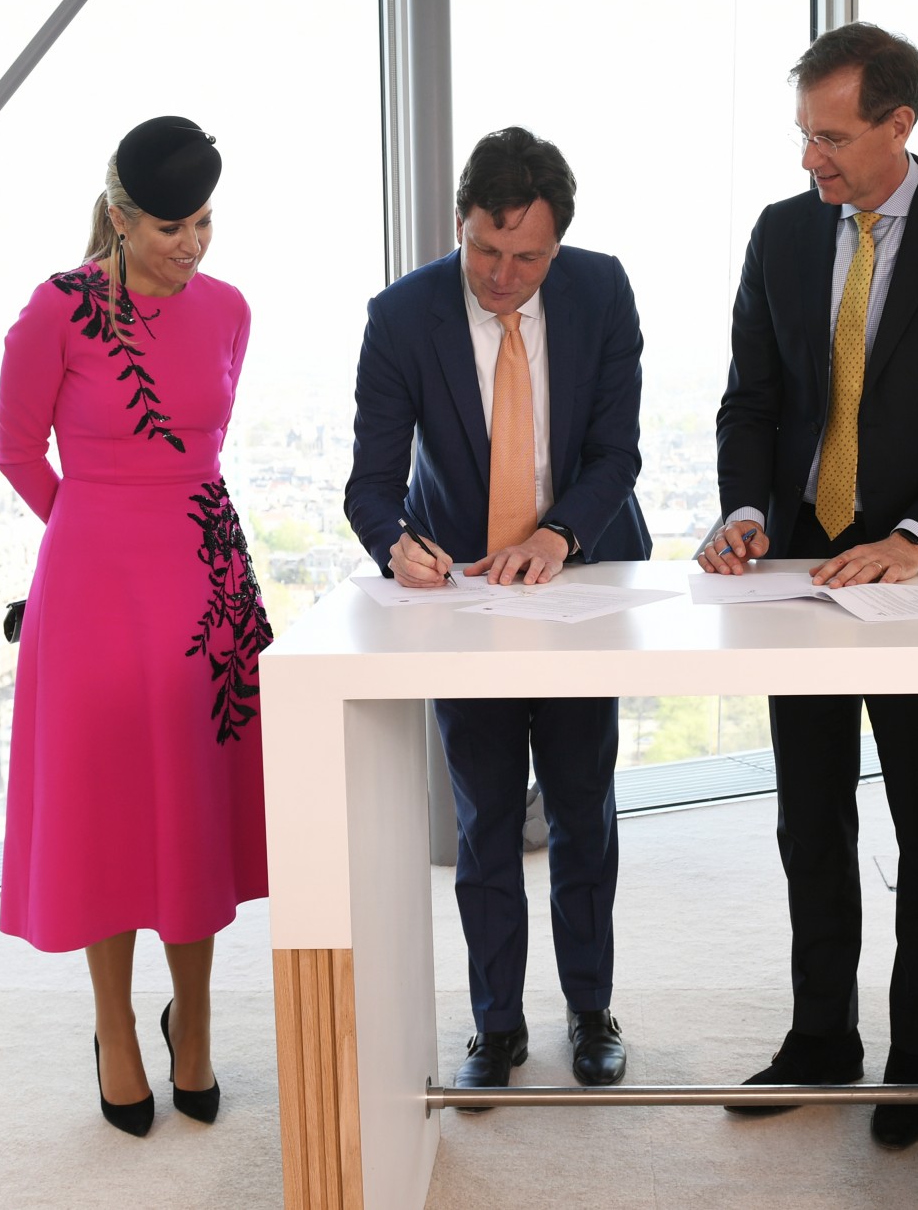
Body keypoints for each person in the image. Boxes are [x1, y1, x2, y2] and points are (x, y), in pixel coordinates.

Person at [700, 23, 918, 1149]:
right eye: (805, 135)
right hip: (797, 571)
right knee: (809, 816)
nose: (812, 161)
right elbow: (750, 396)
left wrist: (914, 533)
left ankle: (912, 1050)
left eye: (833, 137)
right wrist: (747, 510)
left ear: (900, 125)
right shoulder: (781, 234)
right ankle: (819, 1035)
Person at [344, 126, 649, 1102]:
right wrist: (395, 543)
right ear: (461, 225)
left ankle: (592, 1008)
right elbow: (369, 485)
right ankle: (495, 1023)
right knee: (480, 819)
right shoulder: (401, 316)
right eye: (486, 250)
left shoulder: (600, 291)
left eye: (527, 258)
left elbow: (613, 453)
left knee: (580, 810)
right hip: (462, 595)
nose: (504, 276)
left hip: (578, 581)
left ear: (557, 246)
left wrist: (558, 534)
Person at [0, 116, 272, 1137]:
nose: (192, 243)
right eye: (170, 226)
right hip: (92, 585)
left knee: (194, 811)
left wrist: (164, 530)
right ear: (118, 216)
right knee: (108, 812)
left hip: (206, 580)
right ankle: (114, 1026)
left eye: (203, 221)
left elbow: (199, 445)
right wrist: (96, 527)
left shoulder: (231, 310)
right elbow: (20, 453)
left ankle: (191, 1020)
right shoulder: (55, 312)